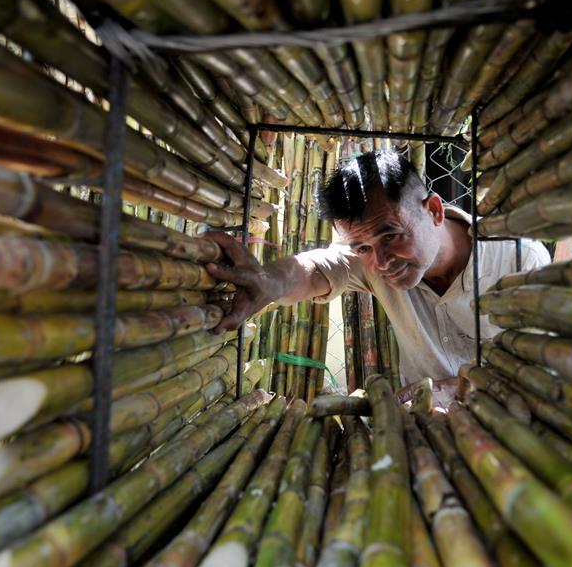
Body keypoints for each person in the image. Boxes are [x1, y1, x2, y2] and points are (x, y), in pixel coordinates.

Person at [203, 150, 551, 401]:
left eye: (391, 235)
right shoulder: (371, 260)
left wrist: (451, 386)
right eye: (362, 248)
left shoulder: (520, 258)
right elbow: (317, 267)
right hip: (423, 432)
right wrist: (269, 282)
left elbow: (541, 372)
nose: (381, 262)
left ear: (434, 210)